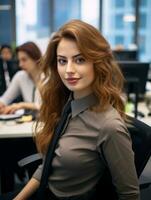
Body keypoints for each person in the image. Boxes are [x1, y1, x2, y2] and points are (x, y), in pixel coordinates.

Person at [1, 20, 140, 200]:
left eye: (79, 60)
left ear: (97, 62)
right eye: (62, 61)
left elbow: (130, 195)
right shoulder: (66, 104)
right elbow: (48, 165)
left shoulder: (110, 127)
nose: (68, 70)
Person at [0, 41, 42, 114]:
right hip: (27, 123)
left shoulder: (48, 77)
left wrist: (21, 105)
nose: (20, 64)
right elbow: (5, 99)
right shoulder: (20, 76)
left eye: (24, 60)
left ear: (36, 58)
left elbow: (46, 106)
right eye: (19, 60)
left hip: (47, 123)